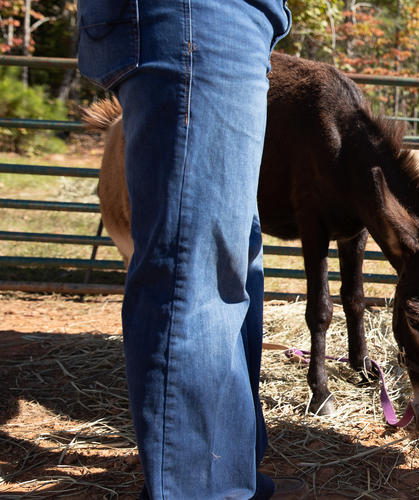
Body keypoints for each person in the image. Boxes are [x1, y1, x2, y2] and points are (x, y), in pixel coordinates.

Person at [77, 1, 304, 498]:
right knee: (195, 273)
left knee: (225, 269)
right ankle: (199, 489)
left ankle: (226, 475)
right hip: (199, 20)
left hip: (230, 26)